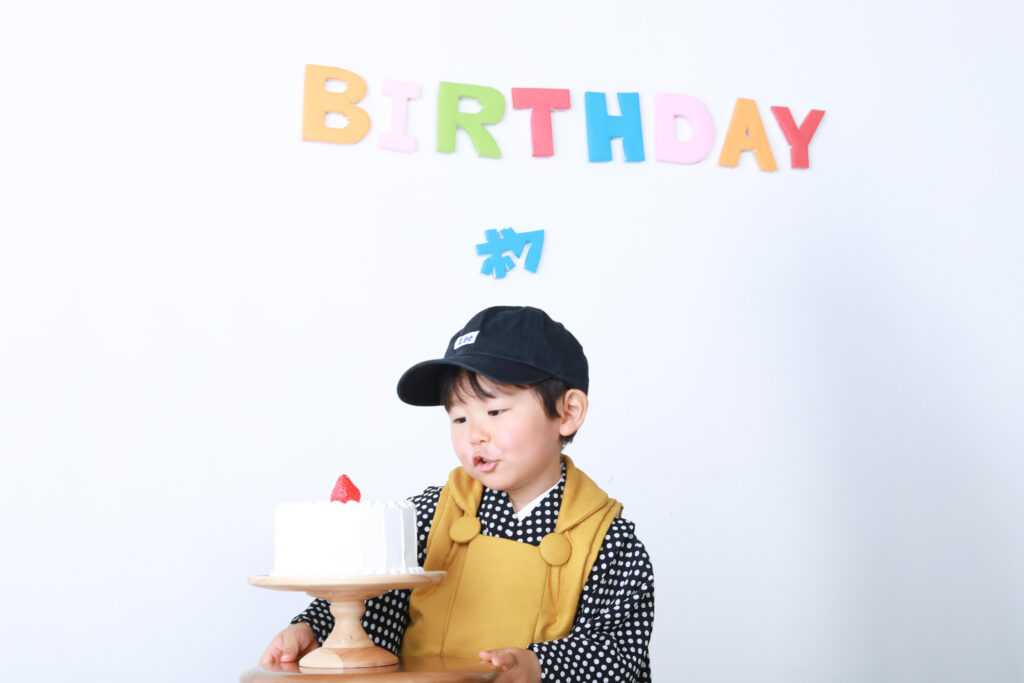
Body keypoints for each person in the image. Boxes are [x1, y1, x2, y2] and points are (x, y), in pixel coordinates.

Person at [260, 306, 654, 682]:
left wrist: (537, 667)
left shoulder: (607, 538)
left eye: (495, 411)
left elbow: (619, 650)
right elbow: (379, 600)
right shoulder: (434, 512)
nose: (474, 435)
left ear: (567, 413)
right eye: (459, 417)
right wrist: (316, 627)